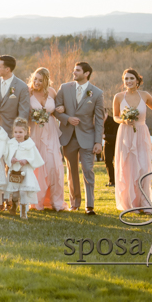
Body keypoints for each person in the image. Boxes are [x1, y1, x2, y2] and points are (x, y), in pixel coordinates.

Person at [55, 61, 105, 214]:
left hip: (88, 137)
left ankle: (89, 206)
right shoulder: (64, 88)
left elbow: (99, 119)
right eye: (74, 70)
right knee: (72, 171)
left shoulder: (96, 93)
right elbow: (55, 110)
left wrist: (98, 142)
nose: (74, 72)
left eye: (77, 70)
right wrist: (67, 118)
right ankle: (74, 203)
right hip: (68, 137)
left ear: (86, 73)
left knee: (88, 170)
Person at [112, 68, 152, 212]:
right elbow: (115, 117)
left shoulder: (145, 95)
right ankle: (130, 204)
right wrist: (123, 121)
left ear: (137, 80)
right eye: (126, 79)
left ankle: (144, 203)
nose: (128, 81)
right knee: (128, 169)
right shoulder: (118, 97)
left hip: (141, 134)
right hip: (125, 135)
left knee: (143, 167)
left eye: (131, 78)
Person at [27, 67, 67, 211]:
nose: (36, 82)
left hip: (51, 132)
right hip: (36, 132)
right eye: (35, 79)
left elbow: (56, 110)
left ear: (46, 81)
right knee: (37, 166)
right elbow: (24, 111)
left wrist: (60, 109)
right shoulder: (28, 92)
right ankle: (37, 201)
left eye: (40, 80)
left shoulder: (52, 92)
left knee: (53, 165)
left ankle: (55, 201)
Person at [0, 55, 30, 138]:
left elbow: (23, 112)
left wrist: (17, 133)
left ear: (7, 69)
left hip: (10, 132)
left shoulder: (22, 87)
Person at [5, 118, 45, 220]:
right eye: (16, 132)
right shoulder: (11, 143)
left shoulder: (30, 144)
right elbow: (7, 156)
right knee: (15, 193)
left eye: (20, 132)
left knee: (23, 192)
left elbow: (34, 157)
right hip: (14, 171)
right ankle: (14, 205)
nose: (18, 134)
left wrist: (26, 160)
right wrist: (11, 159)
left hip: (25, 172)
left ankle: (23, 212)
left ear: (26, 132)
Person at [103, 113, 118, 187]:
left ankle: (119, 180)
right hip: (107, 143)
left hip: (117, 143)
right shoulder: (99, 122)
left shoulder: (114, 121)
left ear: (106, 114)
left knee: (118, 162)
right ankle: (112, 181)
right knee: (107, 161)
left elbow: (117, 136)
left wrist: (105, 136)